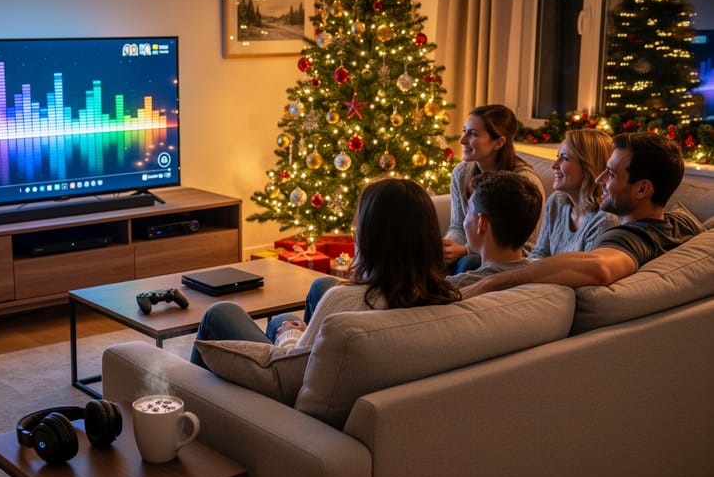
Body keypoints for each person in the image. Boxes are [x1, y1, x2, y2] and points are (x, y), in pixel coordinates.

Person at [188, 177, 462, 369]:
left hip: (289, 402)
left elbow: (289, 368)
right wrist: (308, 335)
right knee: (298, 306)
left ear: (370, 237)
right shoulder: (447, 295)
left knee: (221, 313)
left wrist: (291, 337)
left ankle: (194, 398)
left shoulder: (345, 302)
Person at [461, 131, 705, 299]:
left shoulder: (626, 238)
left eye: (610, 174)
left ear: (642, 189)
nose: (599, 180)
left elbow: (598, 266)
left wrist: (490, 283)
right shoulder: (682, 222)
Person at [444, 104, 546, 274]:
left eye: (473, 134)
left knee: (469, 262)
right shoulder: (461, 173)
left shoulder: (525, 183)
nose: (462, 140)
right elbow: (458, 226)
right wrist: (447, 247)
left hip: (510, 265)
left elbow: (527, 248)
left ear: (499, 142)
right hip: (472, 254)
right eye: (465, 131)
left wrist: (466, 250)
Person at [529, 129, 620, 259]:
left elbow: (585, 274)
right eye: (557, 157)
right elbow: (539, 254)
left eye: (564, 158)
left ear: (589, 167)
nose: (554, 165)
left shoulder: (605, 220)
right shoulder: (556, 201)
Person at [447, 170, 544, 288]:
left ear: (481, 223)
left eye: (468, 212)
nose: (465, 221)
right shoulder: (547, 275)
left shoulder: (456, 287)